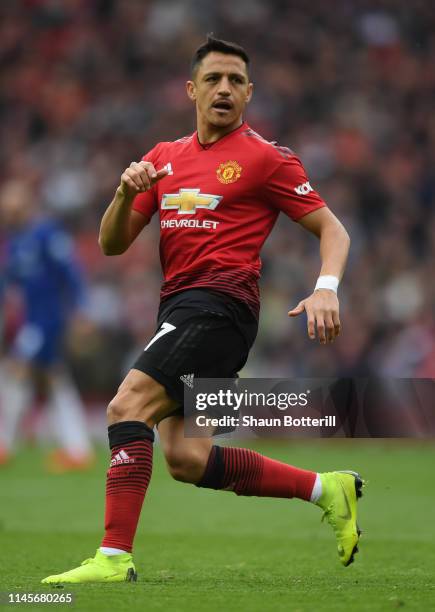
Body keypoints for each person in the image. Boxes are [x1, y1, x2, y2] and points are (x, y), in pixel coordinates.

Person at [42, 35, 362, 584]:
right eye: (214, 78)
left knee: (126, 407)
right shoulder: (163, 159)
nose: (224, 89)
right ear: (191, 89)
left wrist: (326, 286)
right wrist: (123, 192)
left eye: (236, 81)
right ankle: (324, 488)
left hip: (221, 307)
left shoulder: (266, 158)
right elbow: (111, 244)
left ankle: (114, 558)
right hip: (182, 306)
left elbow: (332, 227)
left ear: (249, 94)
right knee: (188, 458)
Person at [0, 180, 94, 472]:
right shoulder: (15, 241)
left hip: (48, 319)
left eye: (11, 206)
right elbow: (8, 281)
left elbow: (71, 272)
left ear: (25, 205)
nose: (7, 212)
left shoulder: (46, 234)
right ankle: (77, 449)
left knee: (17, 373)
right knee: (51, 381)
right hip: (32, 320)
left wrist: (80, 311)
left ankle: (5, 445)